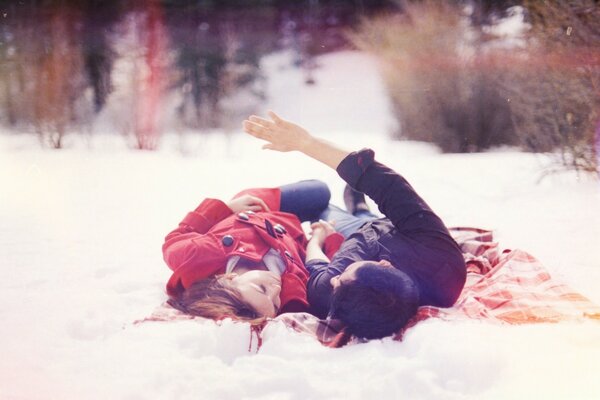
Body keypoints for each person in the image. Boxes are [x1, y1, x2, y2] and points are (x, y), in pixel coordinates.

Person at [243, 111, 467, 339]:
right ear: (385, 264)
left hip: (352, 234)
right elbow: (388, 185)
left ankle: (359, 212)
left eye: (336, 281)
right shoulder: (440, 255)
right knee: (360, 211)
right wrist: (306, 143)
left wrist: (319, 237)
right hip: (395, 229)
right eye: (343, 275)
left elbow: (317, 265)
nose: (334, 278)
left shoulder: (330, 294)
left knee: (320, 201)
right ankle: (361, 210)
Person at [162, 179, 341, 322]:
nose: (276, 289)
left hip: (258, 206)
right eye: (275, 305)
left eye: (262, 288)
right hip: (292, 227)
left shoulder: (198, 256)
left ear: (229, 278)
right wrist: (324, 238)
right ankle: (358, 208)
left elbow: (176, 237)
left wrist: (226, 208)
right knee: (333, 216)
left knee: (321, 191)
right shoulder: (292, 294)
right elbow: (326, 273)